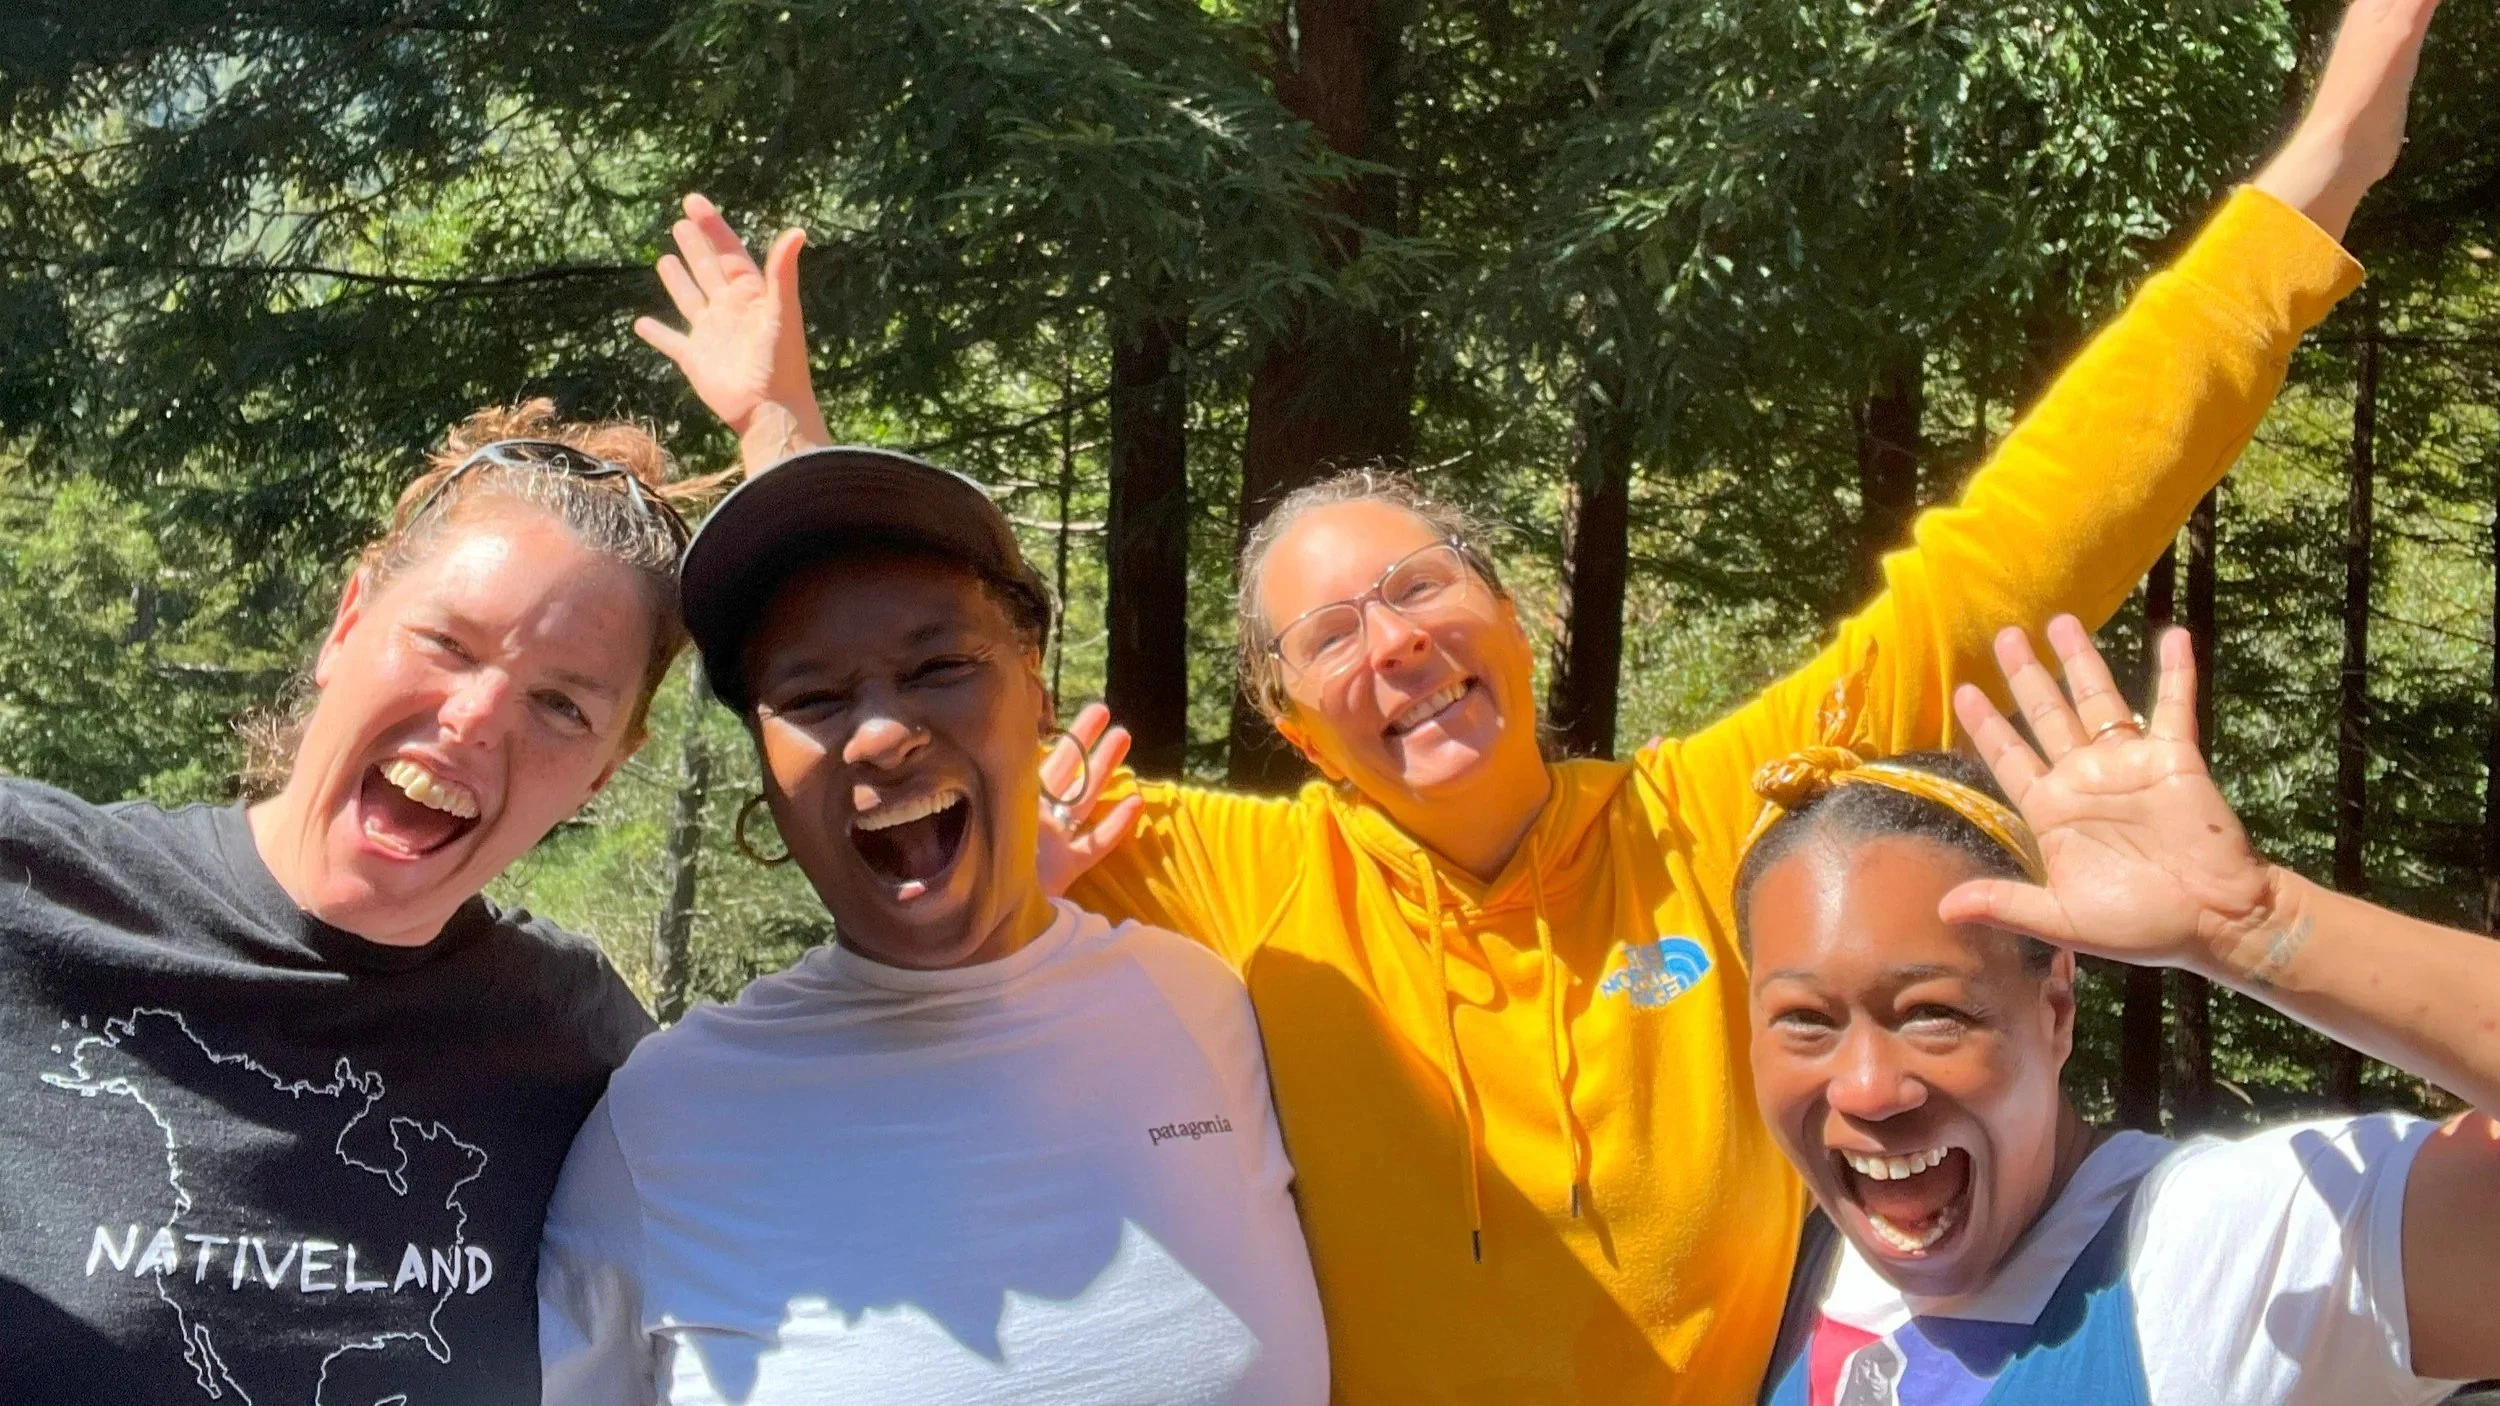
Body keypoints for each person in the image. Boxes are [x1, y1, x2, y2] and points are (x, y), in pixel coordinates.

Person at [635, 5, 2436, 1396]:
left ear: (1515, 616)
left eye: (1422, 586)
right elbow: (917, 724)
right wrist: (786, 438)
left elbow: (2025, 544)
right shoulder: (1218, 879)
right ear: (1292, 722)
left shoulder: (1719, 819)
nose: (1392, 643)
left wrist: (2330, 162)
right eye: (1328, 636)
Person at [534, 445, 1327, 1404]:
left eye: (941, 666)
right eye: (814, 698)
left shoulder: (1203, 1005)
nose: (879, 734)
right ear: (766, 770)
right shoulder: (659, 1128)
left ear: (1037, 695)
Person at [0, 402, 710, 1403]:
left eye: (562, 704)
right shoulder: (28, 887)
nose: (475, 718)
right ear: (347, 624)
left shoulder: (584, 1044)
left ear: (603, 772)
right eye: (447, 642)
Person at [1739, 615, 2500, 1402]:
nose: (1866, 1089)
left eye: (1933, 1013)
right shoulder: (1777, 1275)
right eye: (1806, 1022)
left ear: (2056, 1008)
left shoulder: (2217, 1255)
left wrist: (2257, 925)